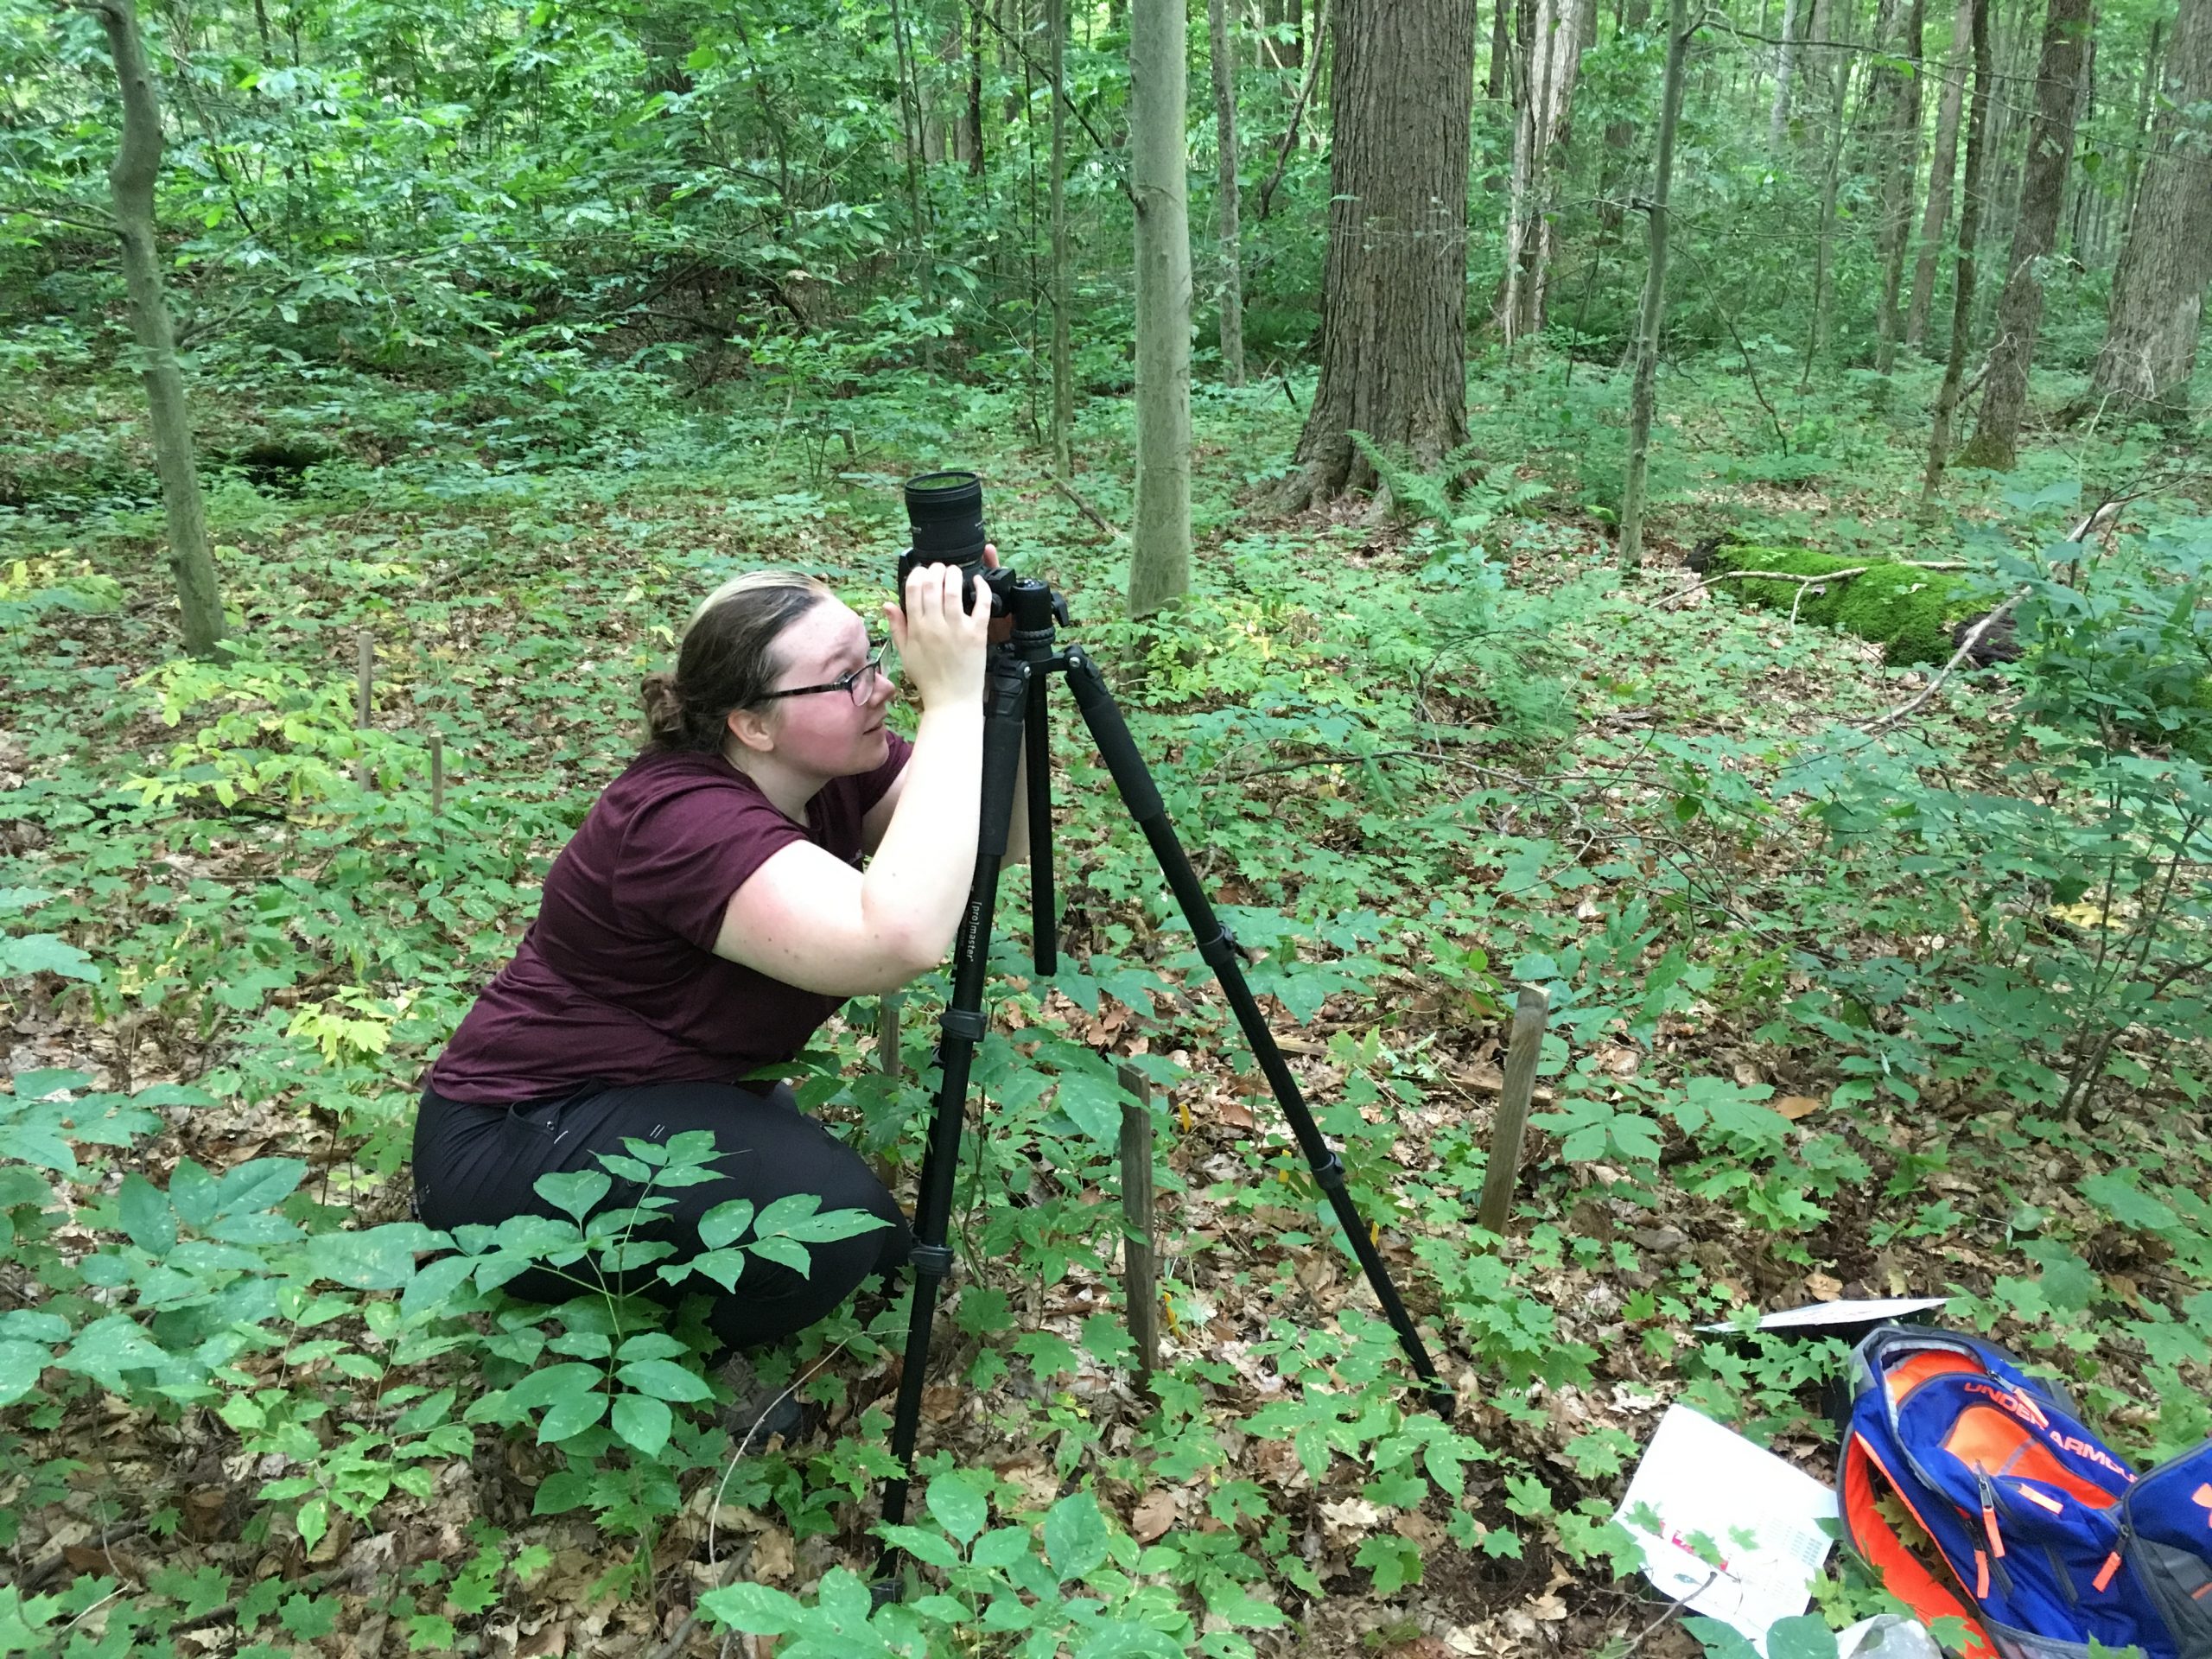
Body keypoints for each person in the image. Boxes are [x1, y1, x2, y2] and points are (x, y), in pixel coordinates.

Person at [411, 556, 1004, 1367]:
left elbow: (995, 843)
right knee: (829, 1231)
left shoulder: (820, 766)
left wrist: (994, 668)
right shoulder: (679, 822)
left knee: (879, 1254)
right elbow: (897, 939)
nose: (883, 688)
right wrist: (956, 701)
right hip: (514, 1142)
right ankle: (702, 1366)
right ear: (751, 724)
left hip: (658, 1093)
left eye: (875, 658)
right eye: (847, 678)